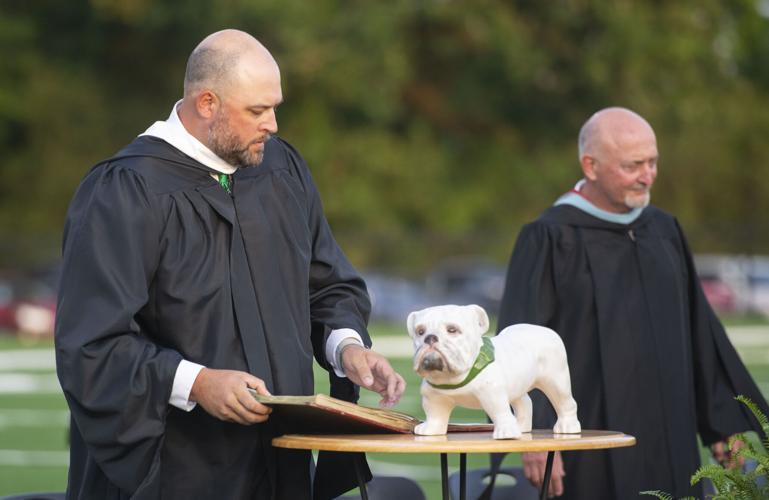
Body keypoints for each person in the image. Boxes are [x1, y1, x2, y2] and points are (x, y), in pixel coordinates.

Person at [54, 29, 405, 500]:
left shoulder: (281, 171)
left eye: (275, 106)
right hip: (178, 471)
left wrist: (346, 348)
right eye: (257, 111)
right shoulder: (127, 191)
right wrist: (195, 382)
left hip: (281, 460)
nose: (274, 125)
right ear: (207, 104)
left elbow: (327, 285)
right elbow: (90, 344)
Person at [496, 107, 769, 499]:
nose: (648, 175)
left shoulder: (664, 232)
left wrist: (723, 427)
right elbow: (521, 346)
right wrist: (536, 437)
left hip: (670, 438)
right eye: (633, 165)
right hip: (584, 441)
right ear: (590, 165)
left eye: (653, 162)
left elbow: (701, 335)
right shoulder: (549, 239)